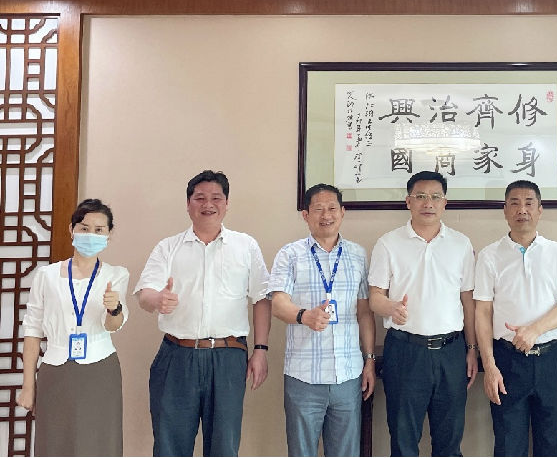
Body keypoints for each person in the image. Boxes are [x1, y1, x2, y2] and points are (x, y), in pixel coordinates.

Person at [134, 170, 271, 457]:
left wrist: (260, 350)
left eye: (216, 198)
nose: (208, 204)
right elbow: (144, 294)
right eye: (200, 198)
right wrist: (158, 299)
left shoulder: (245, 246)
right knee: (170, 446)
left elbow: (261, 298)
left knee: (224, 446)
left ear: (227, 203)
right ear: (188, 204)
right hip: (177, 356)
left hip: (228, 357)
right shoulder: (168, 247)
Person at [368, 171, 478, 457]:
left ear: (445, 203)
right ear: (408, 201)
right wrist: (391, 307)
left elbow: (468, 301)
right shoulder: (388, 243)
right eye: (420, 196)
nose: (428, 203)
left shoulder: (461, 244)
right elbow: (375, 298)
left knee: (449, 441)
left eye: (435, 197)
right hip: (405, 352)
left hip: (451, 351)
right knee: (403, 441)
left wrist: (471, 349)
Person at [474, 180, 557, 457]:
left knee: (553, 444)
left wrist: (534, 330)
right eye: (515, 203)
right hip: (507, 361)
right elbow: (482, 313)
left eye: (529, 203)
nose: (522, 209)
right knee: (508, 444)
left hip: (552, 359)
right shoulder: (489, 255)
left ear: (540, 210)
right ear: (505, 210)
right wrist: (490, 366)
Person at [268, 183, 376, 456]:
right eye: (318, 209)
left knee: (345, 453)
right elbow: (278, 304)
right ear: (306, 215)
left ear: (342, 212)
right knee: (301, 452)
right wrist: (304, 316)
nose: (326, 215)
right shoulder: (290, 255)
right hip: (304, 376)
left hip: (348, 374)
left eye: (332, 208)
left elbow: (364, 312)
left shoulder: (358, 255)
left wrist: (370, 361)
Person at [18, 198, 129, 456]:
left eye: (99, 230)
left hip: (100, 370)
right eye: (84, 228)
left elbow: (114, 325)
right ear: (72, 229)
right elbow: (32, 331)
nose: (91, 235)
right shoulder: (46, 275)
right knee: (54, 443)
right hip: (55, 370)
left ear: (109, 234)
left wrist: (114, 308)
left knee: (98, 444)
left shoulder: (116, 275)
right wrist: (28, 385)